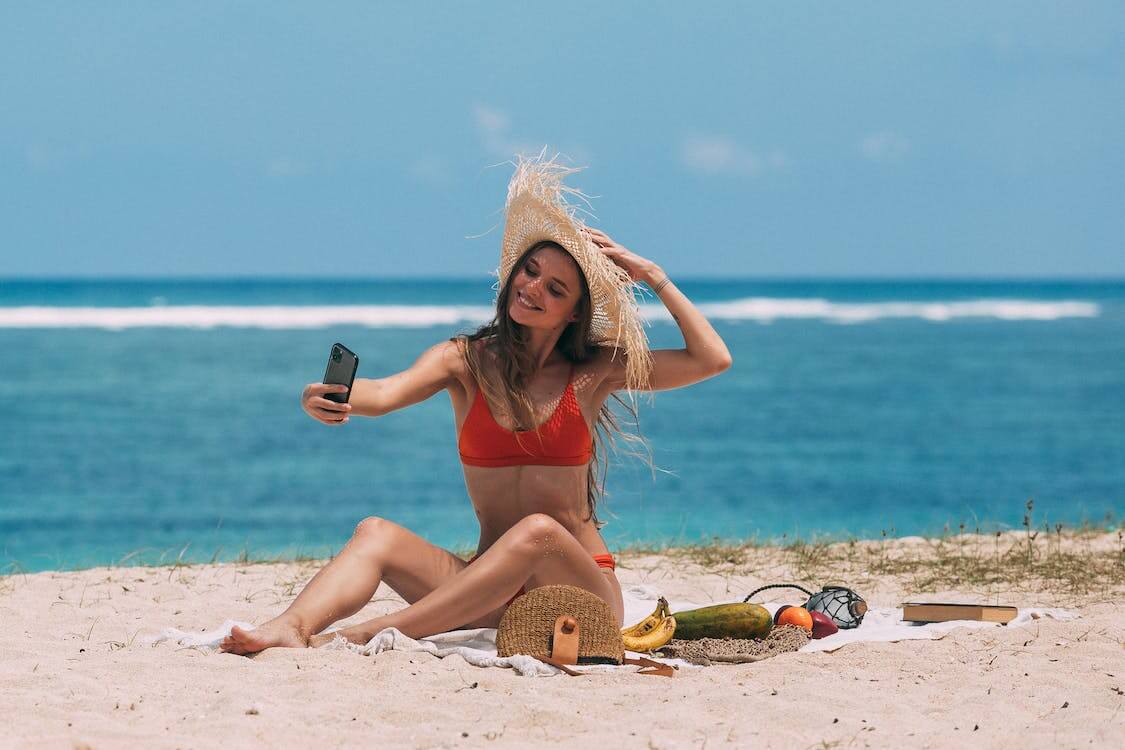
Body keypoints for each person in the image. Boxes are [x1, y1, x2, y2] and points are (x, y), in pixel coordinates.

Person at [220, 150, 732, 654]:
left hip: (579, 595)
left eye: (555, 289)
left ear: (574, 314)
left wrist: (654, 274)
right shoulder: (464, 360)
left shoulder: (594, 371)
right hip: (488, 590)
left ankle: (375, 631)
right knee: (374, 532)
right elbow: (382, 393)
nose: (532, 289)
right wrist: (327, 395)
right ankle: (291, 624)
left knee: (539, 531)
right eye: (529, 271)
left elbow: (712, 359)